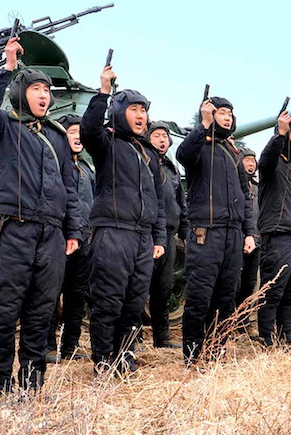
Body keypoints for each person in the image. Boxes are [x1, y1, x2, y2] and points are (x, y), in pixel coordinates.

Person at [0, 38, 82, 392]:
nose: (43, 95)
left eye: (47, 91)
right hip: (12, 231)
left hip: (50, 235)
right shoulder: (3, 126)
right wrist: (6, 68)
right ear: (21, 93)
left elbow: (69, 187)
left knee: (41, 312)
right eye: (36, 89)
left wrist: (73, 230)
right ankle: (1, 383)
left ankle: (32, 384)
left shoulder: (57, 136)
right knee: (3, 311)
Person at [80, 66, 167, 375]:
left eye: (143, 110)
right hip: (112, 233)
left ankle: (124, 357)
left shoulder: (147, 152)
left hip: (143, 237)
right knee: (108, 302)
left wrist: (159, 238)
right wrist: (103, 92)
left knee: (134, 304)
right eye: (133, 109)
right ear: (119, 112)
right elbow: (88, 130)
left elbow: (158, 199)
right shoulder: (107, 142)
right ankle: (104, 361)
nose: (141, 115)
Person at [177, 96, 255, 365]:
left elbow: (245, 195)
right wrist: (203, 124)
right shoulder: (199, 145)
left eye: (230, 113)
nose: (227, 117)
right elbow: (183, 155)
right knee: (200, 298)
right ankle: (192, 357)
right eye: (222, 112)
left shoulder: (233, 151)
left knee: (225, 299)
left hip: (233, 234)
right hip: (206, 233)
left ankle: (216, 354)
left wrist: (249, 232)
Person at [256, 113, 291, 346]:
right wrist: (279, 133)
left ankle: (286, 337)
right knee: (274, 289)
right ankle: (266, 337)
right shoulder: (273, 163)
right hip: (279, 234)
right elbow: (266, 158)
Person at [46, 114, 96, 363]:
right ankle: (47, 345)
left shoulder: (86, 168)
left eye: (80, 132)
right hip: (58, 238)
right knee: (50, 293)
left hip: (84, 240)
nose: (77, 137)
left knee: (77, 295)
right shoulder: (54, 165)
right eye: (71, 132)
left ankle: (70, 345)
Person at [147, 122, 188, 349]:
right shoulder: (142, 163)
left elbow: (181, 203)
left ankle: (161, 337)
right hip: (147, 233)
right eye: (156, 135)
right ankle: (133, 338)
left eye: (164, 136)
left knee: (163, 287)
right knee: (139, 287)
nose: (162, 140)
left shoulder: (172, 169)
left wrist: (185, 231)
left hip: (169, 234)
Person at [236, 147, 260, 339]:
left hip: (256, 240)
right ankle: (230, 322)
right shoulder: (234, 184)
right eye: (247, 160)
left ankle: (244, 322)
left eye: (253, 160)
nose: (251, 164)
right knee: (234, 283)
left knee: (249, 284)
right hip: (238, 239)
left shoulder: (257, 187)